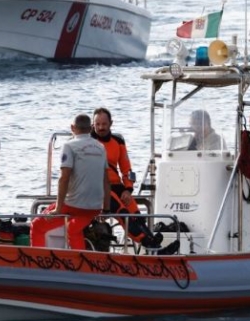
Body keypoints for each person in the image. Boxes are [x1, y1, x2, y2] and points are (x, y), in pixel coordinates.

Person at [91, 108, 177, 253]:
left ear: (111, 123)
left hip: (117, 186)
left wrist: (128, 189)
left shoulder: (118, 142)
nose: (101, 127)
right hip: (99, 187)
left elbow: (127, 170)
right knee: (123, 212)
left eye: (104, 124)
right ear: (93, 125)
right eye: (97, 124)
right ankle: (149, 244)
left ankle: (154, 242)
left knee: (135, 213)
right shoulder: (88, 142)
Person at [31, 114, 110, 250]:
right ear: (91, 128)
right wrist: (106, 210)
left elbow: (64, 178)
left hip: (74, 205)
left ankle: (38, 261)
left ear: (72, 128)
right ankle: (79, 262)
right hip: (95, 207)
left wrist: (58, 208)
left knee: (37, 225)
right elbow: (106, 181)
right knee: (72, 229)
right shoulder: (101, 147)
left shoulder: (69, 145)